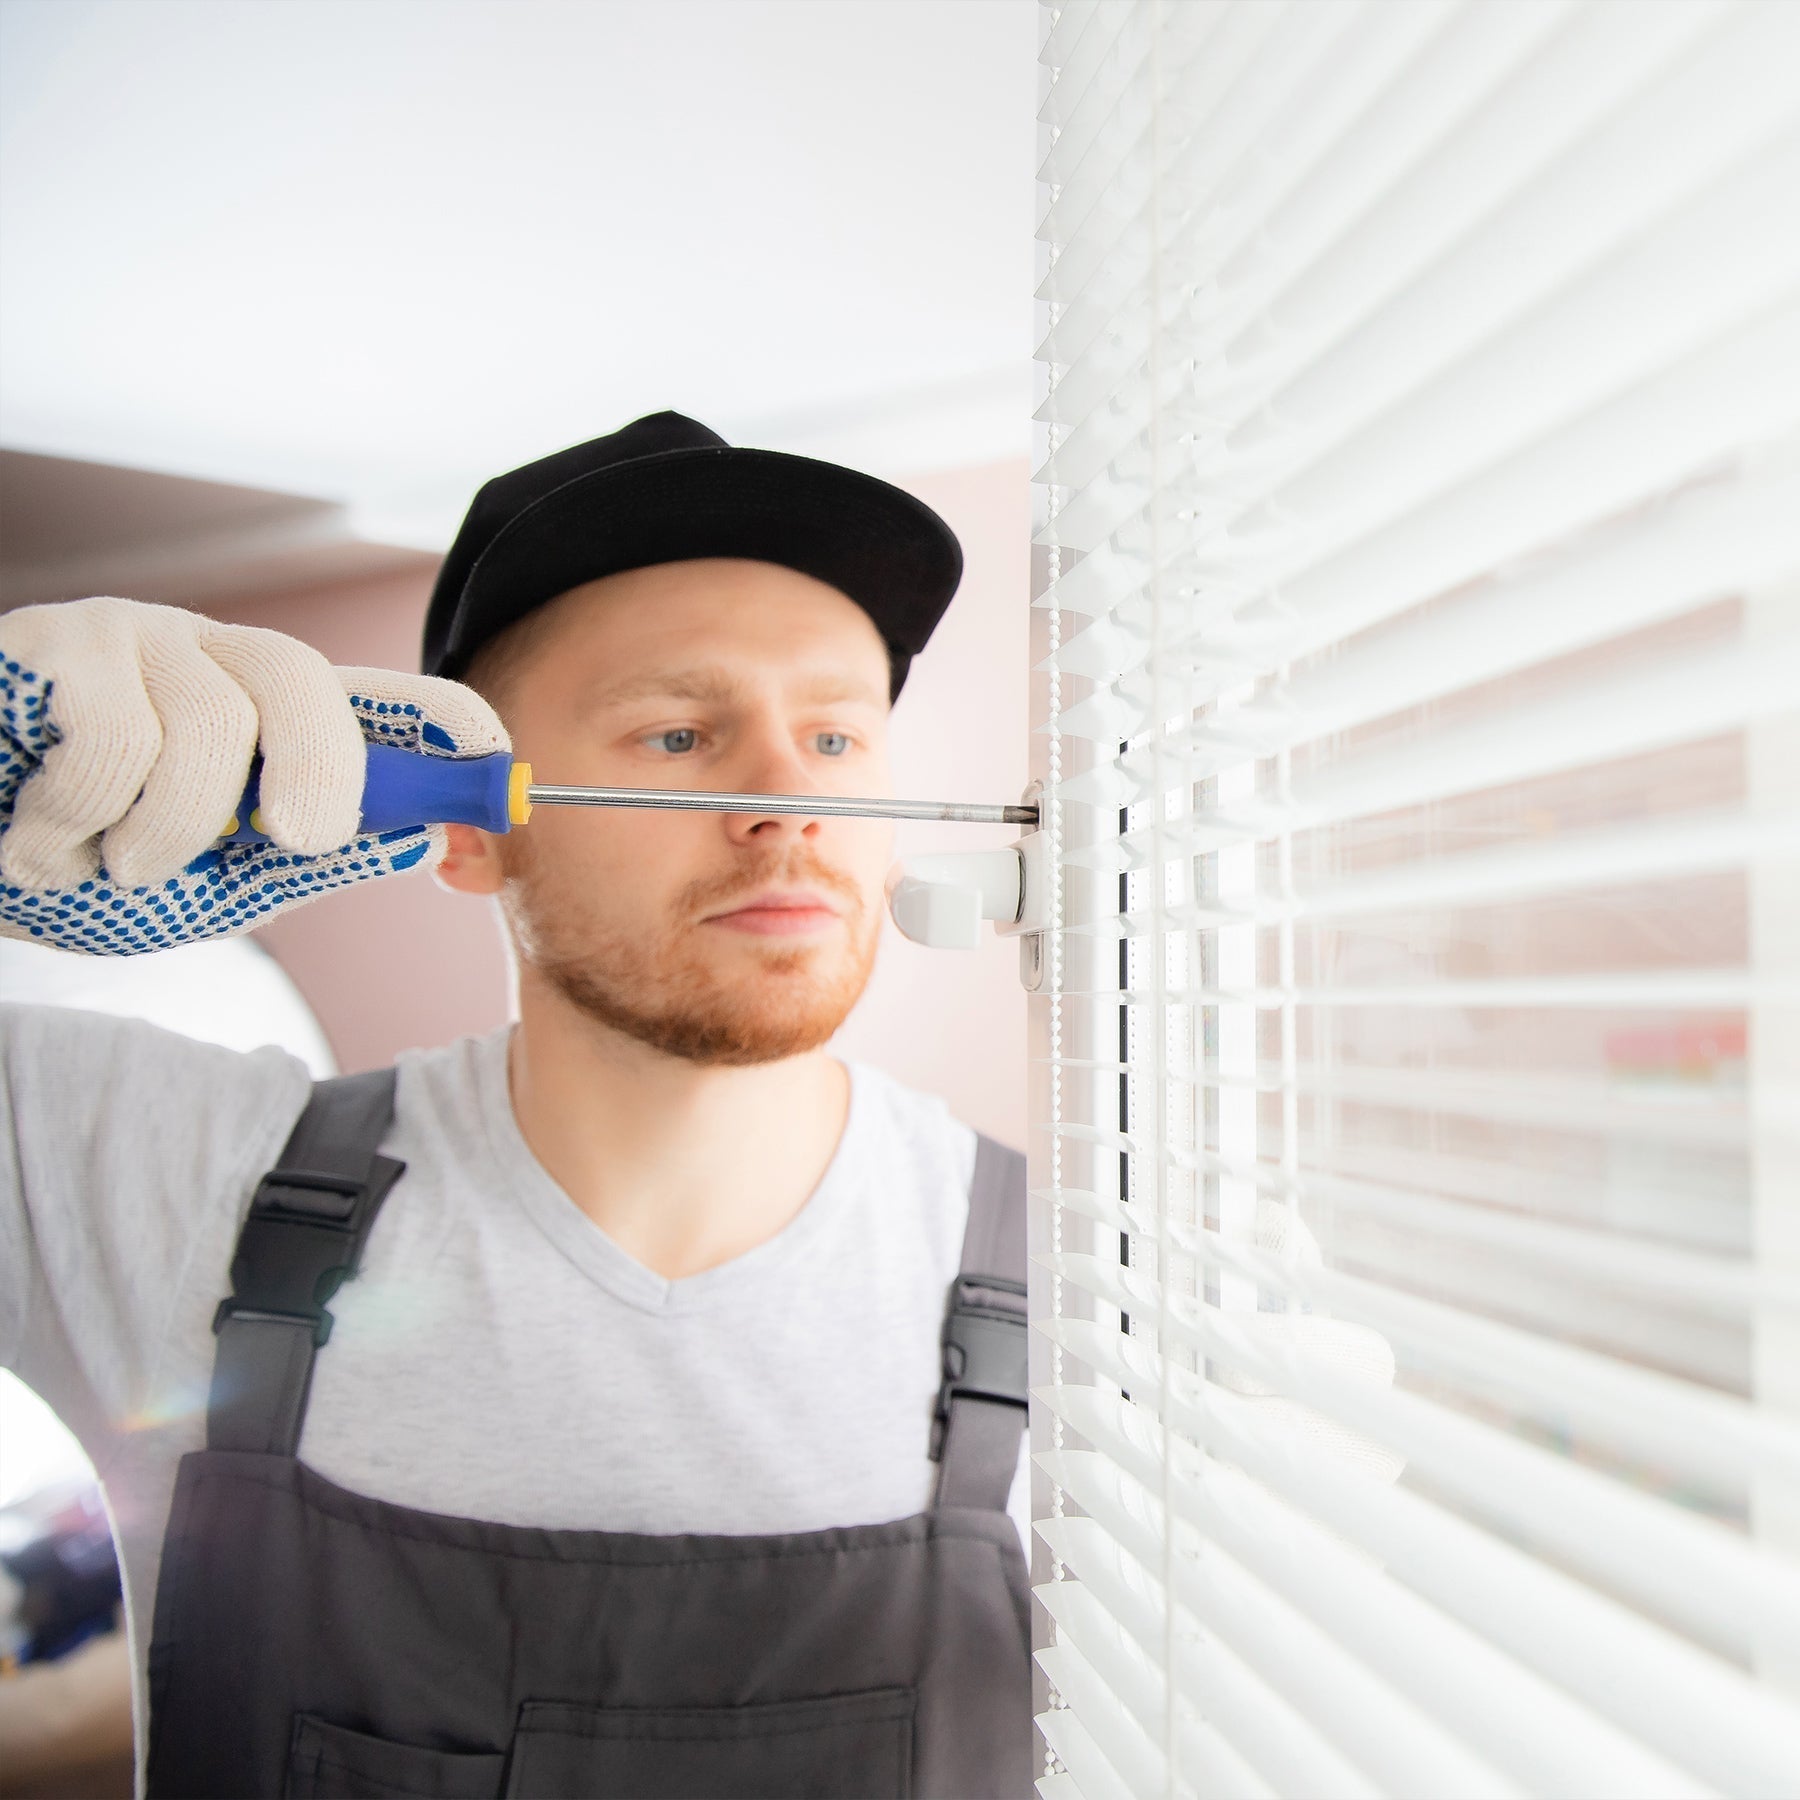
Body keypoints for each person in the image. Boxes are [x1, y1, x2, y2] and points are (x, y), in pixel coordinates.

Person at [0, 412, 1032, 1798]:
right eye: (679, 731)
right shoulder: (158, 1176)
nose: (787, 798)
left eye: (837, 736)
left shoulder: (1094, 1288)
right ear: (471, 830)